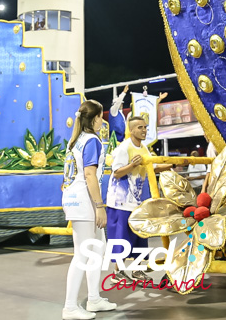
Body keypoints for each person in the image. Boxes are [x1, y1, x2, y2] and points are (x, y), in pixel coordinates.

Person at [61, 100, 117, 319]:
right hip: (85, 201)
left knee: (97, 249)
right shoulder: (92, 140)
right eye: (101, 116)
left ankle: (93, 298)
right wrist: (99, 206)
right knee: (83, 254)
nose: (103, 120)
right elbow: (90, 174)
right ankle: (70, 307)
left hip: (74, 198)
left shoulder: (75, 140)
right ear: (95, 118)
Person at [106, 115, 173, 282]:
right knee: (121, 238)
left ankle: (136, 271)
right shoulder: (124, 148)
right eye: (140, 128)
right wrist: (132, 165)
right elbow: (116, 172)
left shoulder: (144, 148)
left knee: (140, 237)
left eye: (145, 127)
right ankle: (118, 273)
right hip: (121, 202)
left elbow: (152, 167)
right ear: (131, 130)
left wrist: (174, 164)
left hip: (137, 202)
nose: (144, 130)